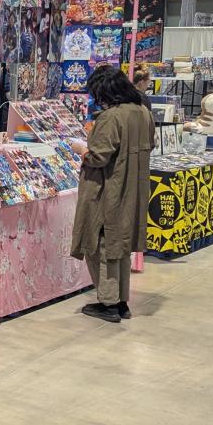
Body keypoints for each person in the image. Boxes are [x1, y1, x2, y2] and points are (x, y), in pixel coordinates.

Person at [68, 66, 153, 323]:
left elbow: (98, 157)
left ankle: (108, 303)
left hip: (109, 189)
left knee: (101, 244)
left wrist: (81, 149)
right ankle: (121, 301)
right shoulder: (143, 112)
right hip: (133, 188)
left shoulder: (111, 117)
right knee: (121, 245)